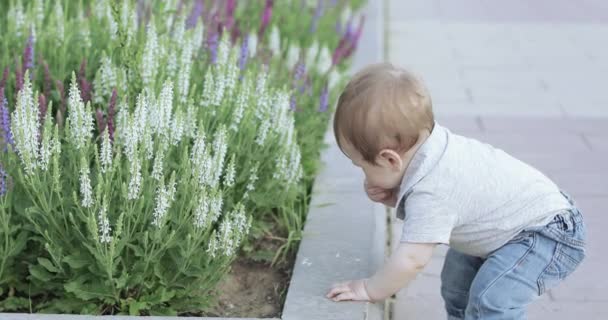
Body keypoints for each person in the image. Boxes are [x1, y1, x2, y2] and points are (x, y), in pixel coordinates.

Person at [325, 63, 586, 319]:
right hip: (510, 226)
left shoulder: (433, 188)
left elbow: (412, 259)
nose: (362, 173)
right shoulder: (429, 146)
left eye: (360, 165)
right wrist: (396, 196)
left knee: (492, 299)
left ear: (391, 160)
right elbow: (443, 203)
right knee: (456, 283)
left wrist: (370, 289)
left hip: (547, 233)